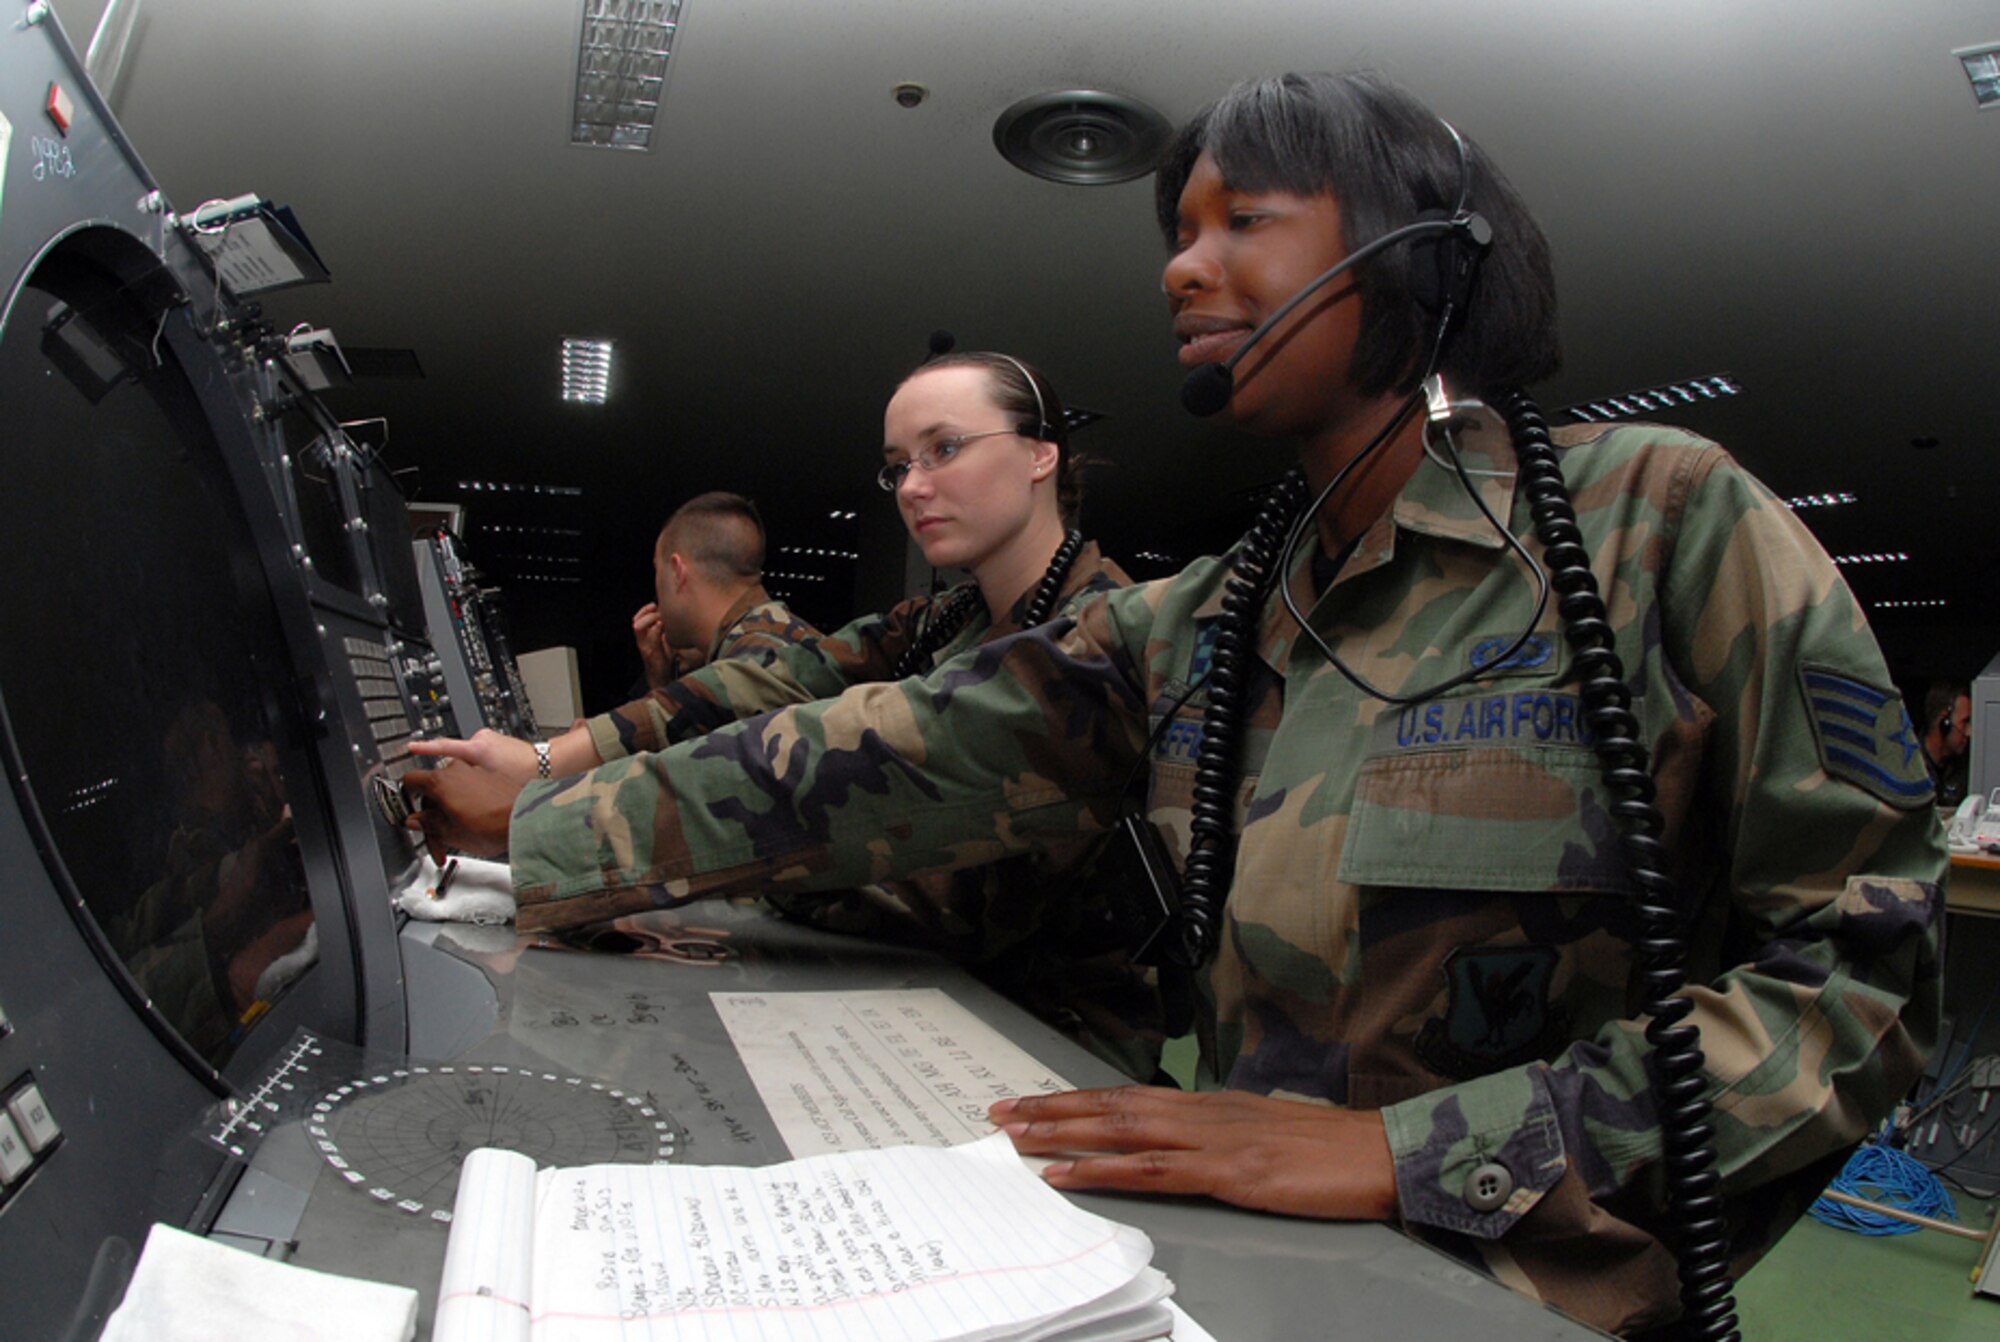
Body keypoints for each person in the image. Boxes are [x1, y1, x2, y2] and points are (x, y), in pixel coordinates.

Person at [405, 72, 1943, 1338]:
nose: (1180, 266)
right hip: (1243, 1276)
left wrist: (1405, 1153)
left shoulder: (1662, 526)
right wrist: (547, 819)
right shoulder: (1217, 609)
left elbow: (1865, 978)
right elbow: (897, 747)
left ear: (1422, 248)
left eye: (1244, 221)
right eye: (1177, 228)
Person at [417, 352, 1160, 1080]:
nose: (913, 486)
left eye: (946, 449)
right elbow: (767, 679)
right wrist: (549, 761)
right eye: (899, 464)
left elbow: (916, 869)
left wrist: (567, 828)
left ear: (1041, 455)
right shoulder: (949, 619)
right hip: (934, 998)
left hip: (1044, 1048)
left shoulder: (1092, 642)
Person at [414, 490, 820, 780]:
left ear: (677, 572)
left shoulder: (761, 657)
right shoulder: (764, 637)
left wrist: (542, 760)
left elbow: (681, 784)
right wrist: (659, 677)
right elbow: (684, 730)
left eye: (657, 573)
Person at [1919, 680, 1972, 807]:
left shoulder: (1962, 765)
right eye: (1964, 722)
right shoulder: (1911, 768)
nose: (1969, 732)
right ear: (1945, 724)